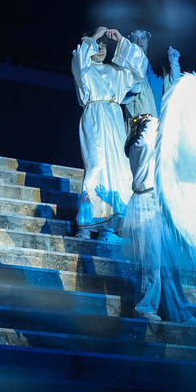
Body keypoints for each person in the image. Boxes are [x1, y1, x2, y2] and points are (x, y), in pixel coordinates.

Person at [119, 114, 196, 324]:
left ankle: (179, 312)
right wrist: (152, 121)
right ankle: (144, 307)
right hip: (144, 203)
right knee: (150, 260)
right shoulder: (139, 147)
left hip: (160, 204)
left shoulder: (155, 149)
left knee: (170, 262)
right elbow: (147, 141)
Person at [71, 26, 148, 239]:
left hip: (114, 119)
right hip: (95, 118)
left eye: (104, 45)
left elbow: (139, 69)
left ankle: (111, 224)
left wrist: (121, 40)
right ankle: (87, 224)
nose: (101, 49)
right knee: (96, 166)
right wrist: (94, 36)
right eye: (97, 45)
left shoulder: (115, 71)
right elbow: (79, 59)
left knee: (118, 169)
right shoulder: (84, 69)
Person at [121, 30, 181, 125]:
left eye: (143, 38)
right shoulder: (126, 66)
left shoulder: (159, 67)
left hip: (162, 112)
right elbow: (124, 94)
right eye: (135, 38)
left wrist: (174, 63)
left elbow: (176, 86)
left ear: (148, 40)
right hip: (141, 114)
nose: (139, 41)